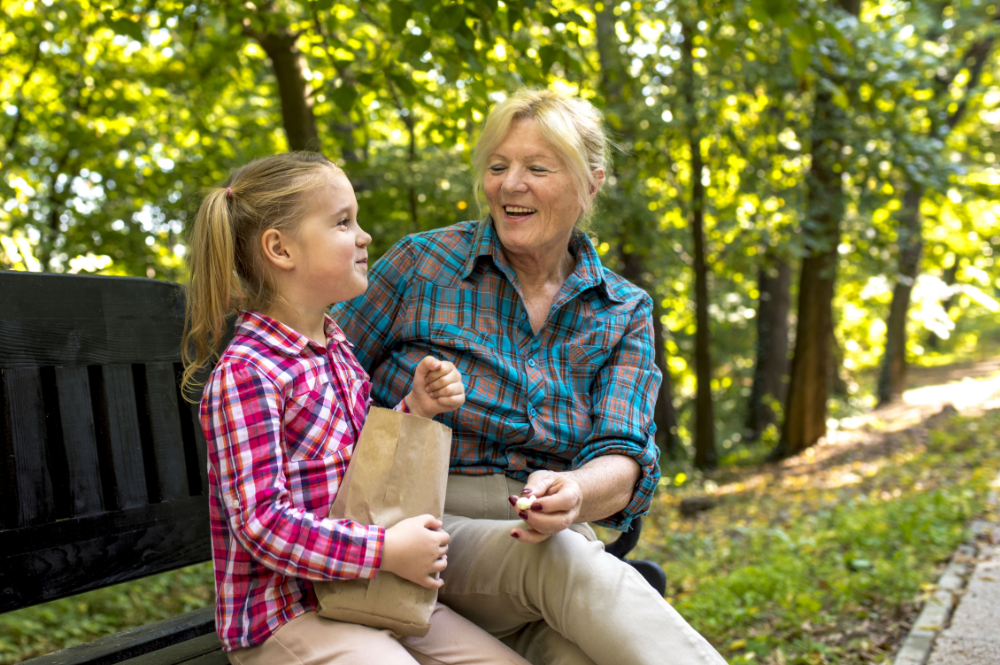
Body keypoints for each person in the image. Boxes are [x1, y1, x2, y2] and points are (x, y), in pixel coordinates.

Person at [334, 90, 728, 665]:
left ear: (590, 185)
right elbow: (318, 383)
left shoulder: (622, 308)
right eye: (498, 166)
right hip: (423, 530)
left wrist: (575, 492)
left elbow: (623, 457)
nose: (509, 184)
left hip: (542, 535)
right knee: (564, 563)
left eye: (536, 168)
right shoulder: (422, 265)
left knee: (572, 652)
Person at [181, 152, 532, 665]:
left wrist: (415, 408)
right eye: (343, 222)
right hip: (289, 616)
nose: (364, 236)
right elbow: (261, 524)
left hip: (369, 595)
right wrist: (385, 550)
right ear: (280, 248)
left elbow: (362, 463)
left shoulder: (337, 349)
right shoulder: (247, 373)